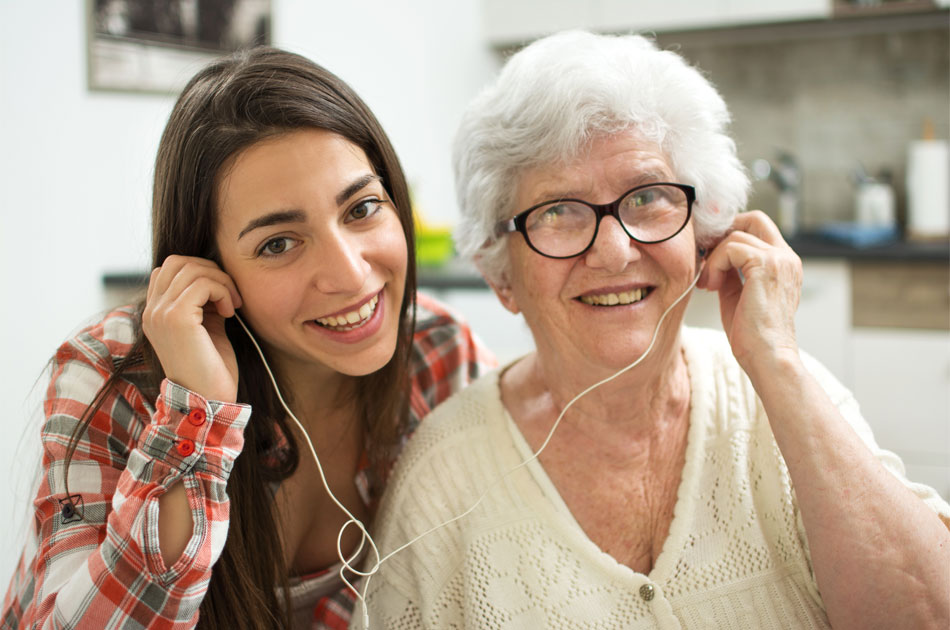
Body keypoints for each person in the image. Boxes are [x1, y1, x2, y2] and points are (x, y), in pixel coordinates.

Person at [356, 31, 950, 629]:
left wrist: (780, 365)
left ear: (705, 234)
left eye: (647, 198)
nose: (614, 252)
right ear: (500, 273)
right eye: (557, 211)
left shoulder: (784, 401)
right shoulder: (441, 482)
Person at [1, 47, 494, 630]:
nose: (351, 274)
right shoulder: (109, 375)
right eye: (278, 243)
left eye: (362, 208)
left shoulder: (437, 353)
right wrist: (197, 415)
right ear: (207, 269)